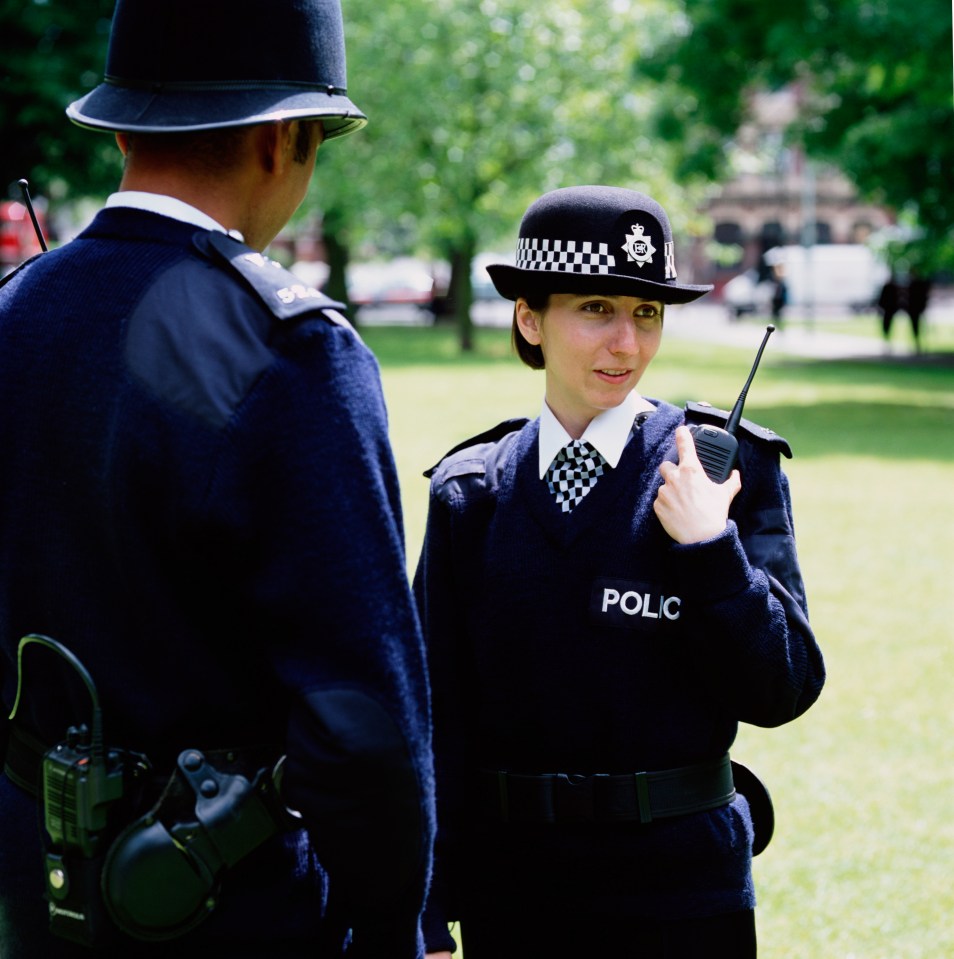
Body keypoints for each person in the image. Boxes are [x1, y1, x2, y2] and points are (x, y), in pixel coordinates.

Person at [0, 2, 434, 958]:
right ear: (287, 139)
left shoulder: (16, 310)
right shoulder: (289, 351)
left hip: (36, 888)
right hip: (229, 909)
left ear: (120, 125)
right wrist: (397, 925)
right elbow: (363, 721)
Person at [414, 186, 825, 958]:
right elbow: (434, 718)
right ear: (529, 318)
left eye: (647, 313)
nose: (627, 345)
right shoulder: (471, 492)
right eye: (597, 308)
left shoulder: (725, 469)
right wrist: (427, 913)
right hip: (519, 896)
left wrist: (712, 555)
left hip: (685, 894)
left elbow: (785, 688)